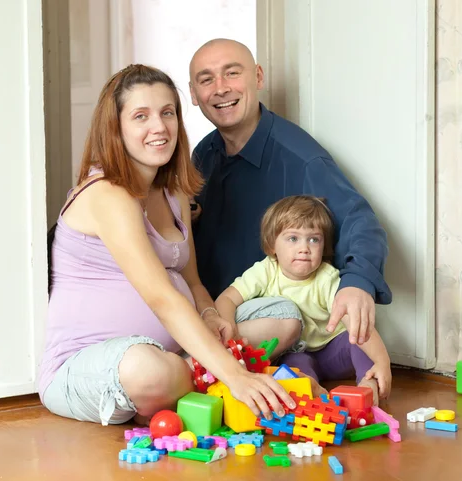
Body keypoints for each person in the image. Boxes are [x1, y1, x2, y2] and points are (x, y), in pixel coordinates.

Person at [38, 64, 296, 427]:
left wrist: (209, 315)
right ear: (116, 128)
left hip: (176, 347)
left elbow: (191, 282)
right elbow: (161, 297)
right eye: (141, 116)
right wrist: (235, 375)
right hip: (90, 365)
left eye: (167, 113)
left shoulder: (173, 190)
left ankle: (194, 373)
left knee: (284, 316)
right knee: (147, 369)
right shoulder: (107, 193)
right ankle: (208, 374)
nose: (159, 127)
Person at [188, 39, 392, 347]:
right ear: (193, 94)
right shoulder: (203, 154)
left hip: (276, 322)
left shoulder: (301, 159)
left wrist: (357, 282)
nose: (220, 88)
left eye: (232, 73)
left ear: (258, 77)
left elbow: (359, 220)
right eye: (207, 79)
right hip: (212, 310)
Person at [215, 196, 392, 404]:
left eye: (314, 239)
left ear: (324, 245)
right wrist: (230, 334)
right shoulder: (266, 270)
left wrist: (382, 361)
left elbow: (356, 322)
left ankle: (368, 386)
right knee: (292, 367)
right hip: (296, 353)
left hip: (331, 351)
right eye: (293, 239)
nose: (304, 248)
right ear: (272, 245)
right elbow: (226, 299)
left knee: (356, 341)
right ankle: (312, 389)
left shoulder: (326, 278)